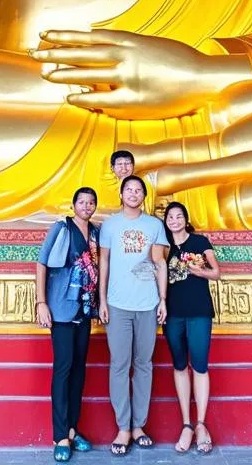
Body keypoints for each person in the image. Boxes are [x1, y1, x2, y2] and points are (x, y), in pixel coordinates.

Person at [99, 174, 168, 456]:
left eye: (139, 190)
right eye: (129, 189)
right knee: (119, 364)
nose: (133, 193)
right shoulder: (110, 225)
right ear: (121, 193)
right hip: (117, 304)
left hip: (147, 304)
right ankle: (123, 427)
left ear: (144, 195)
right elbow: (103, 261)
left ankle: (139, 425)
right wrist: (101, 300)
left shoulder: (154, 225)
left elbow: (159, 262)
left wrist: (162, 299)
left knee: (143, 365)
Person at [36, 187, 101, 462]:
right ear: (74, 204)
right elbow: (42, 263)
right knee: (63, 369)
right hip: (61, 309)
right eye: (82, 201)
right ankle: (60, 435)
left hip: (84, 310)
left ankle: (73, 429)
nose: (86, 206)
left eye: (91, 202)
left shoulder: (96, 233)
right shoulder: (62, 228)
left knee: (78, 370)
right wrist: (41, 303)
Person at [162, 201, 219, 454]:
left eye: (178, 216)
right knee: (179, 366)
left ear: (185, 219)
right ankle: (186, 423)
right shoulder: (163, 247)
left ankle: (201, 425)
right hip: (173, 314)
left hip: (199, 312)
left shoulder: (200, 242)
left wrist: (199, 272)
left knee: (200, 366)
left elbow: (216, 272)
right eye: (169, 217)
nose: (174, 220)